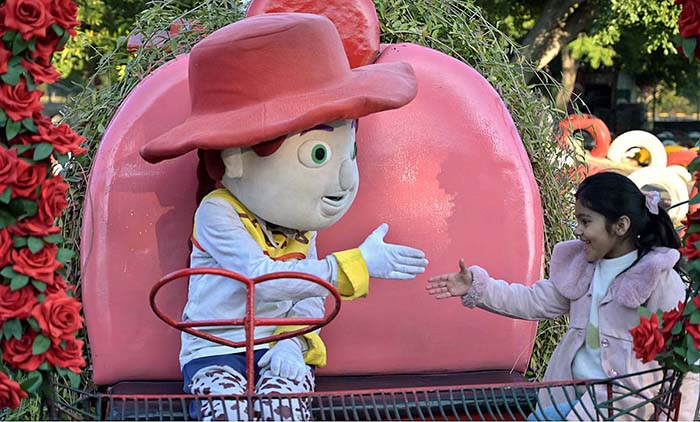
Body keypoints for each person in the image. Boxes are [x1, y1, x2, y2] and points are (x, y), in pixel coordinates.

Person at [139, 13, 428, 421]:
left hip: (278, 348)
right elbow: (262, 282)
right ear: (235, 159)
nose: (346, 178)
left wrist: (291, 347)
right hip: (216, 351)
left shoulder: (300, 223)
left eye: (349, 152)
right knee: (228, 415)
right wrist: (354, 265)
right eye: (319, 154)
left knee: (286, 411)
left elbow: (302, 298)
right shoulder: (218, 211)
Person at [426, 171, 699, 420]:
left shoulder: (657, 278)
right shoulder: (583, 268)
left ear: (620, 226)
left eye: (586, 221)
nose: (578, 230)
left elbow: (684, 363)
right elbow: (532, 301)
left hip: (620, 407)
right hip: (571, 395)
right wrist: (478, 286)